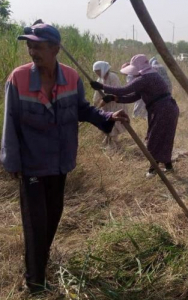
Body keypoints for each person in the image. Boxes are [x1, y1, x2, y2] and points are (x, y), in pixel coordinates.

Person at [1, 23, 129, 295]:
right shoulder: (18, 78)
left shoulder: (71, 78)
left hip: (59, 163)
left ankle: (40, 263)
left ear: (56, 49)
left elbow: (81, 108)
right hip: (32, 163)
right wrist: (11, 162)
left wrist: (108, 118)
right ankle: (34, 282)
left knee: (52, 219)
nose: (32, 50)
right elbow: (9, 122)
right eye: (29, 45)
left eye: (38, 45)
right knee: (35, 223)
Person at [90, 54, 179, 178]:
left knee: (155, 139)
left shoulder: (145, 78)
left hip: (163, 110)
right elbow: (133, 97)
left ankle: (153, 169)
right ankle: (168, 167)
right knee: (164, 138)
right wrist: (115, 98)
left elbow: (124, 90)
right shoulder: (151, 76)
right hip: (168, 109)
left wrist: (102, 87)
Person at [92, 61, 127, 148]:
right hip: (106, 106)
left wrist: (107, 98)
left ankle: (113, 144)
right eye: (96, 72)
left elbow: (116, 91)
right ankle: (108, 140)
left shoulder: (113, 77)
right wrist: (96, 103)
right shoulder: (100, 79)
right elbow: (97, 94)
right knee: (106, 121)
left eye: (98, 71)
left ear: (103, 69)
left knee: (114, 122)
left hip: (115, 104)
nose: (97, 74)